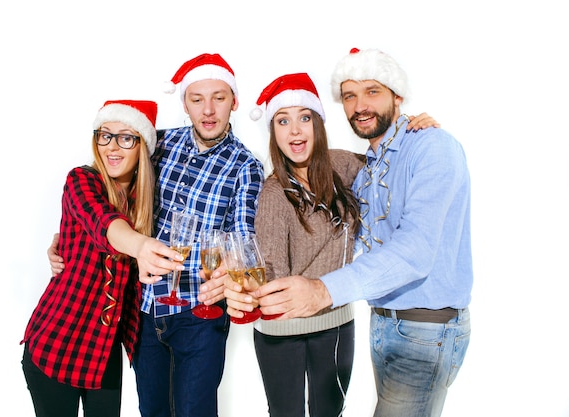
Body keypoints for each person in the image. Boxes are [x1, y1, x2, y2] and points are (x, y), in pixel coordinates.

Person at [227, 48, 473, 417]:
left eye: (373, 91)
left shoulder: (418, 149)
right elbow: (264, 265)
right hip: (381, 322)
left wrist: (324, 290)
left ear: (397, 95)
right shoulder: (362, 167)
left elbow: (414, 250)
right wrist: (243, 296)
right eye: (349, 95)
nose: (360, 105)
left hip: (422, 329)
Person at [49, 53, 265, 417]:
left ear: (235, 102)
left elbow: (242, 238)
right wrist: (68, 236)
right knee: (152, 410)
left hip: (199, 314)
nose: (208, 110)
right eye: (197, 99)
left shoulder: (247, 167)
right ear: (185, 103)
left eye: (219, 98)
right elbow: (112, 184)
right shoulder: (159, 144)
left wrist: (230, 271)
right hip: (143, 311)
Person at [21, 100, 184, 417]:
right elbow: (105, 223)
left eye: (126, 137)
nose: (113, 146)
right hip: (57, 342)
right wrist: (139, 246)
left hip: (104, 351)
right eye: (105, 135)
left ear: (142, 146)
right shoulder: (81, 181)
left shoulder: (146, 200)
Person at [246, 72, 363, 417]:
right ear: (274, 132)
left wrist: (412, 127)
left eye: (304, 118)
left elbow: (391, 165)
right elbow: (270, 276)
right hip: (283, 332)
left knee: (331, 412)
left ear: (318, 124)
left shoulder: (342, 164)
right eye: (283, 121)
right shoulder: (274, 195)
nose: (295, 131)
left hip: (337, 324)